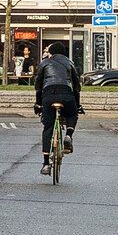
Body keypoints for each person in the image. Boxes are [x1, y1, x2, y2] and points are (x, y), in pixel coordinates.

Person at [33, 44, 82, 175]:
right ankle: (68, 136)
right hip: (67, 94)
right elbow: (76, 87)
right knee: (72, 115)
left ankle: (45, 164)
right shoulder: (69, 63)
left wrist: (38, 104)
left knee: (48, 127)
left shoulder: (45, 63)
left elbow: (38, 86)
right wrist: (77, 105)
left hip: (48, 95)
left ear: (51, 53)